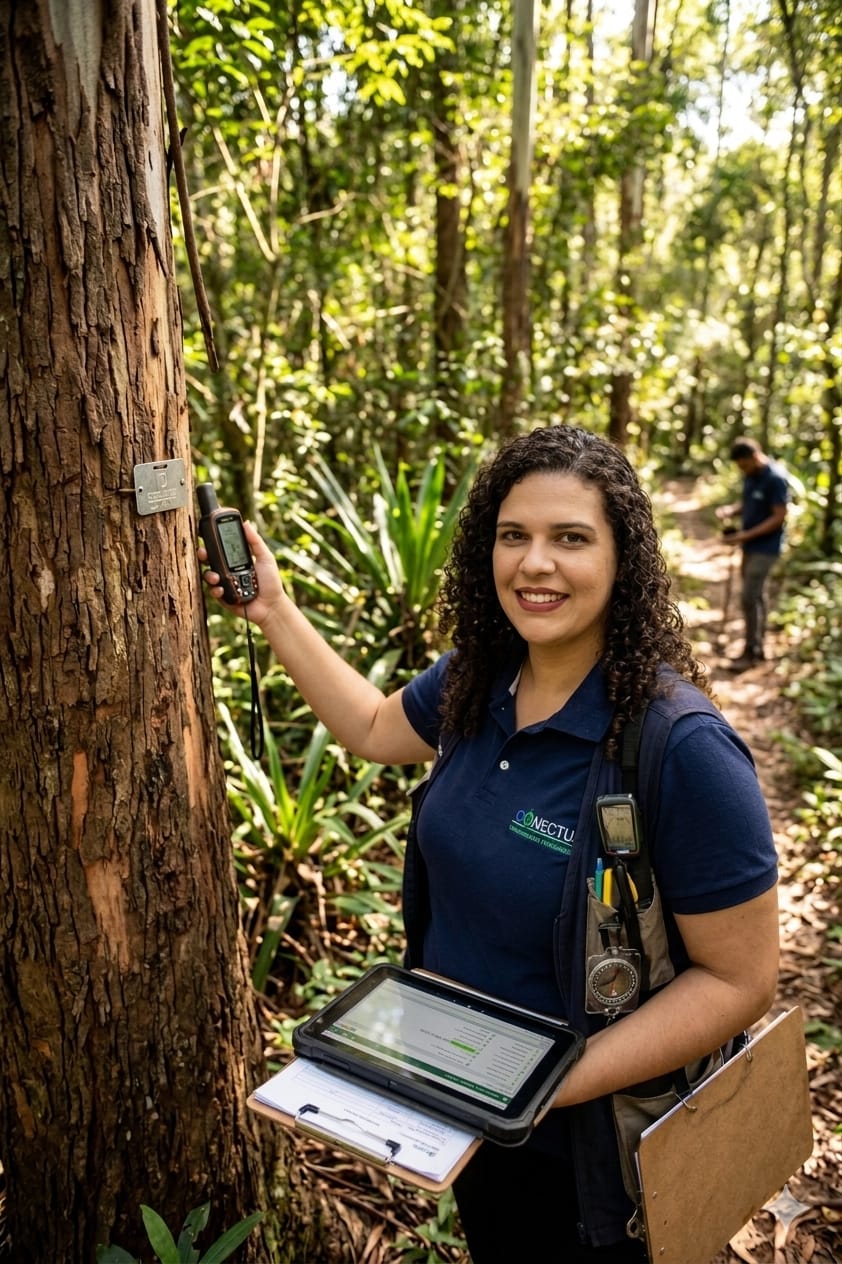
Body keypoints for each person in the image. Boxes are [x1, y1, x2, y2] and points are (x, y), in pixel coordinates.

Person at [200, 425, 779, 1262]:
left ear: (624, 560)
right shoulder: (480, 675)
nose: (534, 564)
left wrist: (541, 1090)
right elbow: (369, 725)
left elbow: (740, 979)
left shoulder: (680, 747)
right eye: (515, 536)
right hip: (465, 1114)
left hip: (596, 1156)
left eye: (570, 539)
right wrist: (274, 608)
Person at [716, 437, 789, 672]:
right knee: (756, 596)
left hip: (766, 549)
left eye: (744, 465)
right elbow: (750, 503)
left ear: (755, 457)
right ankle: (758, 645)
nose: (742, 470)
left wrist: (744, 536)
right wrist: (731, 510)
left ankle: (752, 651)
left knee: (749, 596)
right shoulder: (752, 475)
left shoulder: (775, 479)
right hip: (750, 546)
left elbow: (779, 516)